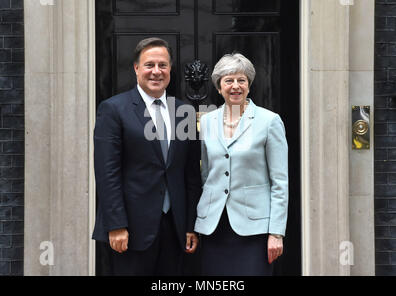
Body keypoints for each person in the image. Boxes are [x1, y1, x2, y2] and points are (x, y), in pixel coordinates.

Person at [92, 37, 202, 275]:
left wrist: (191, 224)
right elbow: (106, 172)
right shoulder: (113, 109)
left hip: (175, 229)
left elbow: (191, 174)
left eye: (162, 65)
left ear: (170, 69)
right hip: (130, 230)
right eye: (149, 65)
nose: (156, 71)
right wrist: (116, 225)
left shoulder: (185, 112)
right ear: (136, 68)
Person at [194, 53, 289, 276]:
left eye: (241, 80)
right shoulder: (207, 121)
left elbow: (280, 181)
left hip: (254, 229)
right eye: (229, 80)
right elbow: (206, 174)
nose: (235, 86)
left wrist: (276, 232)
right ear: (219, 87)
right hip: (214, 227)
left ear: (249, 85)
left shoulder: (269, 121)